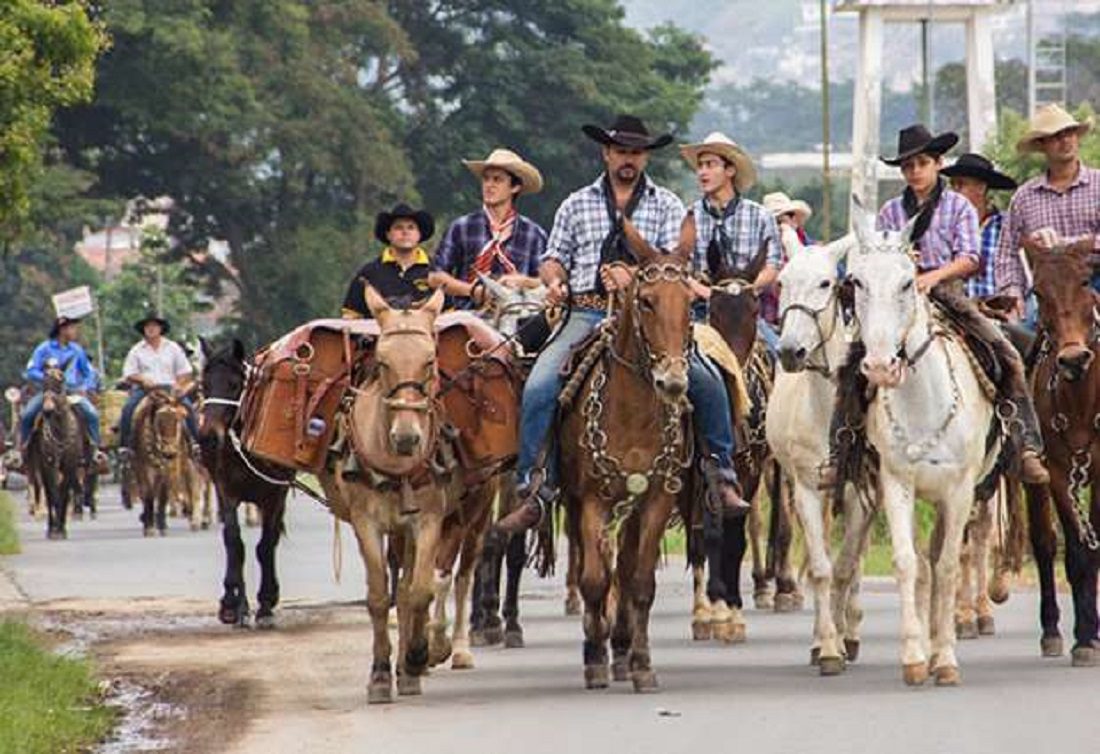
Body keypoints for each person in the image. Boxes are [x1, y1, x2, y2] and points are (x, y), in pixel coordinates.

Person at [496, 114, 747, 534]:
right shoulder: (576, 203)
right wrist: (554, 278)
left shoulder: (668, 205)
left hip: (653, 316)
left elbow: (674, 264)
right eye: (621, 151)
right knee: (540, 384)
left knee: (708, 381)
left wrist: (634, 277)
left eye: (636, 152)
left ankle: (720, 476)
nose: (628, 159)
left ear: (644, 157)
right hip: (587, 311)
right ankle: (535, 486)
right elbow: (554, 255)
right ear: (606, 153)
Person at [824, 124, 1048, 487]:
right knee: (851, 363)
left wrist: (931, 276)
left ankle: (1026, 444)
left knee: (1004, 351)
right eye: (908, 166)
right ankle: (842, 449)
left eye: (922, 163)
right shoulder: (891, 212)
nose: (915, 172)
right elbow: (876, 258)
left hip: (950, 296)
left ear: (938, 164)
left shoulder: (958, 205)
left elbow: (970, 257)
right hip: (897, 302)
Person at [677, 134, 782, 352]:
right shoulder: (688, 216)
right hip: (700, 311)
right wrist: (704, 291)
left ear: (730, 171)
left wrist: (741, 291)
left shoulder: (761, 216)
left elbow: (772, 267)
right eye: (700, 166)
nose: (702, 172)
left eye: (710, 165)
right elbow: (678, 266)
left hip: (745, 313)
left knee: (776, 356)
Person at [996, 104, 1100, 315]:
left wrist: (1065, 244)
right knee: (1016, 339)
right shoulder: (1024, 197)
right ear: (1042, 145)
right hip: (1047, 293)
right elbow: (1007, 252)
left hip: (1095, 281)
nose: (1065, 140)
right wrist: (1012, 292)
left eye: (1069, 133)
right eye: (1056, 136)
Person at [430, 148, 548, 302]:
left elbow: (547, 284)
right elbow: (435, 277)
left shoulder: (534, 234)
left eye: (497, 180)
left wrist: (524, 282)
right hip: (465, 314)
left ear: (515, 187)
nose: (489, 185)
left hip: (517, 314)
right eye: (486, 179)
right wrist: (474, 291)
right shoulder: (461, 227)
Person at [17, 316, 106, 467]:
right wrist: (48, 376)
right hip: (49, 391)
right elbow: (31, 370)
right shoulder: (43, 348)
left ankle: (95, 451)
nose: (75, 331)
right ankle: (22, 452)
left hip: (72, 392)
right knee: (28, 415)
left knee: (92, 414)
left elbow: (88, 373)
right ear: (62, 330)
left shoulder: (77, 350)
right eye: (72, 328)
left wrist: (85, 387)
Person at [118, 313, 198, 456]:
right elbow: (129, 373)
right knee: (128, 409)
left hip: (169, 388)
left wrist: (179, 385)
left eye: (154, 326)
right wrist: (142, 379)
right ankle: (125, 446)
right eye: (148, 326)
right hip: (144, 389)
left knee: (188, 408)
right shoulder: (136, 350)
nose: (151, 329)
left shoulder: (173, 348)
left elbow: (185, 371)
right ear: (143, 330)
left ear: (161, 328)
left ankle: (196, 443)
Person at [940, 153, 1017, 300]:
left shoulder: (1007, 225)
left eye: (960, 184)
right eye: (952, 184)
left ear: (981, 188)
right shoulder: (942, 227)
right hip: (954, 310)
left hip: (999, 310)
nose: (954, 191)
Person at [342, 204, 436, 317]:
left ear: (419, 234)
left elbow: (449, 314)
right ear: (388, 235)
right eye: (398, 227)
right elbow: (351, 315)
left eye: (411, 227)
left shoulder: (436, 271)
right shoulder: (369, 273)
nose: (405, 232)